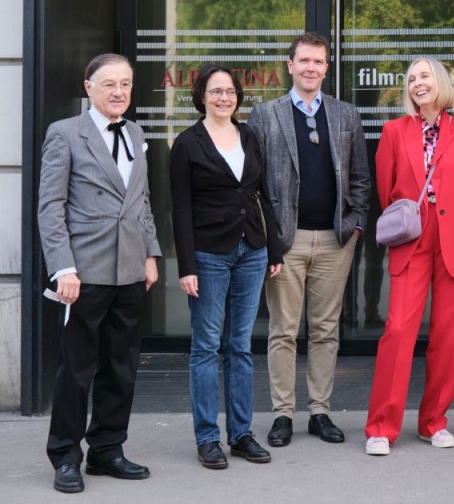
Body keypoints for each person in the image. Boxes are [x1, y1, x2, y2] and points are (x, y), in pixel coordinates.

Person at [38, 53, 162, 493]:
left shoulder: (134, 132)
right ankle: (65, 455)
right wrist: (63, 268)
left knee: (121, 366)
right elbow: (51, 207)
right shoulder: (65, 133)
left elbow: (142, 200)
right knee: (76, 369)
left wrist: (150, 254)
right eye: (109, 83)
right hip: (83, 272)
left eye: (125, 84)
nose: (119, 92)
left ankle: (107, 450)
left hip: (130, 269)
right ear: (88, 86)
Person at [248, 32, 370, 447]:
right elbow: (256, 184)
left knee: (325, 330)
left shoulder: (346, 114)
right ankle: (282, 414)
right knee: (283, 330)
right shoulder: (266, 115)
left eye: (318, 62)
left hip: (336, 240)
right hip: (286, 240)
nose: (311, 68)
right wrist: (268, 240)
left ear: (326, 67)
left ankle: (320, 411)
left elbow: (361, 179)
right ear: (290, 65)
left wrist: (354, 225)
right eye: (304, 61)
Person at [363, 58, 454, 456]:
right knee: (398, 331)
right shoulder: (393, 131)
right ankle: (381, 427)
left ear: (441, 83)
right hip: (413, 236)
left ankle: (434, 422)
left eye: (425, 76)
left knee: (449, 336)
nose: (418, 83)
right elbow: (387, 191)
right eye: (411, 79)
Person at [170, 64, 283, 469]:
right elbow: (180, 210)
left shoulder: (249, 135)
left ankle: (240, 434)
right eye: (216, 91)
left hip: (251, 250)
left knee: (240, 346)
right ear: (201, 95)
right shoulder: (186, 144)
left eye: (230, 91)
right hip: (208, 254)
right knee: (205, 347)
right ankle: (207, 438)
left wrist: (274, 250)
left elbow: (262, 195)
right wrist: (186, 266)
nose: (224, 98)